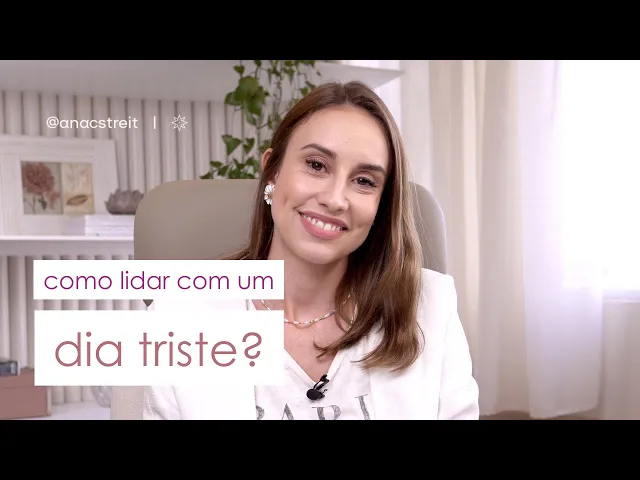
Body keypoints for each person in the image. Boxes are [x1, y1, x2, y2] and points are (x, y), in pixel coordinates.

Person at [142, 80, 479, 420]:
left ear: (381, 204)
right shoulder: (177, 317)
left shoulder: (432, 308)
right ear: (272, 171)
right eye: (317, 165)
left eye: (364, 181)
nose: (334, 199)